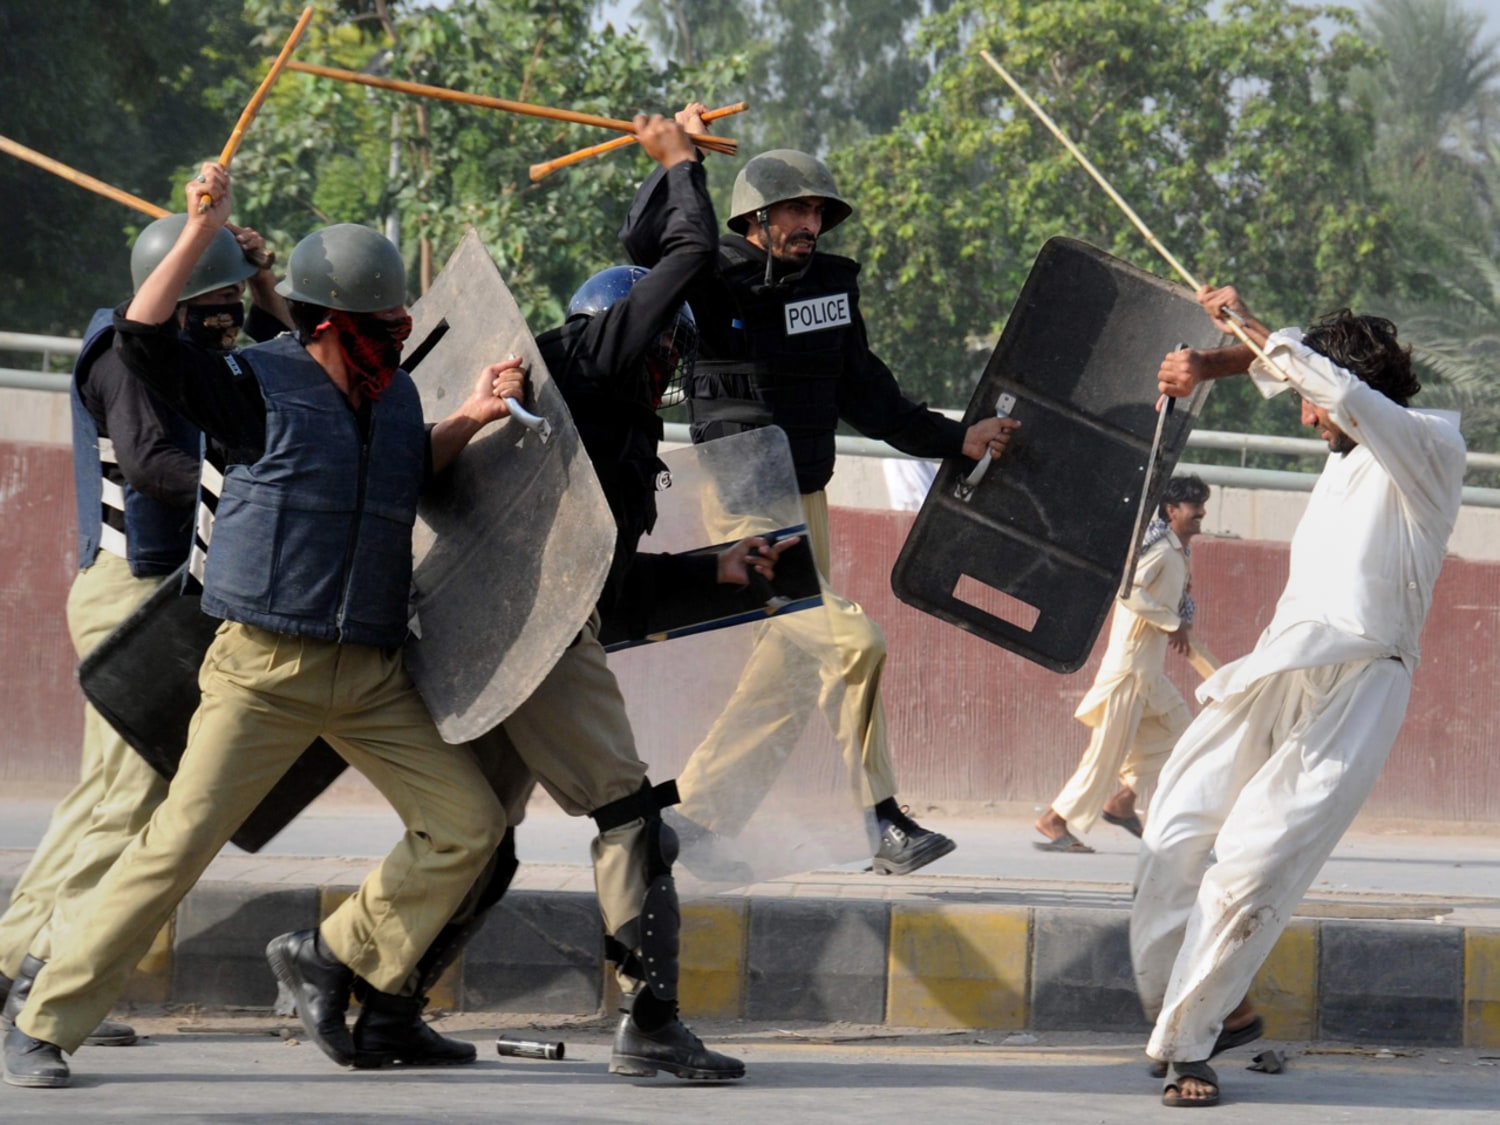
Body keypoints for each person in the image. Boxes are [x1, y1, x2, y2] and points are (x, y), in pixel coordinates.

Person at [2, 163, 523, 1089]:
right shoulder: (248, 386)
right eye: (372, 329)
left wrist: (472, 417)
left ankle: (332, 953)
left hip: (367, 672)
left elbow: (413, 473)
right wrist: (204, 228)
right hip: (260, 669)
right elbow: (143, 335)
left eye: (393, 327)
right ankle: (44, 1021)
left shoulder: (394, 396)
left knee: (467, 824)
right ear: (322, 324)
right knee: (171, 848)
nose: (388, 341)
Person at [359, 111, 778, 1081]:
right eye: (664, 347)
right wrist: (677, 165)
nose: (670, 367)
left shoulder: (609, 429)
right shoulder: (590, 363)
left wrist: (713, 573)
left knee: (482, 840)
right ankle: (650, 1022)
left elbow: (606, 575)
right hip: (537, 639)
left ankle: (366, 986)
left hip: (535, 627)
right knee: (630, 814)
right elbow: (685, 256)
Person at [621, 116, 1018, 876]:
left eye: (818, 213)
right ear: (754, 221)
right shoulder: (711, 276)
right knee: (855, 643)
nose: (811, 224)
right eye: (795, 211)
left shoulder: (833, 288)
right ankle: (882, 821)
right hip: (743, 507)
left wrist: (956, 437)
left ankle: (692, 817)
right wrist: (680, 162)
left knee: (797, 668)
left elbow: (871, 397)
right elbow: (646, 245)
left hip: (808, 500)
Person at [1130, 286, 1465, 1108]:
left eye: (1316, 404)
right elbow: (1315, 384)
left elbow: (1336, 391)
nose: (1310, 421)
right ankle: (1217, 1009)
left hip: (1360, 680)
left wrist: (1244, 323)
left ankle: (1189, 1046)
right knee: (1173, 824)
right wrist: (1213, 360)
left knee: (1251, 860)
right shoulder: (1345, 455)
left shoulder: (1426, 450)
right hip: (1278, 667)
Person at [0, 215, 286, 1046]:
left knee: (101, 796)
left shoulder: (190, 343)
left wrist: (260, 276)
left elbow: (279, 355)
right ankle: (52, 974)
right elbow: (157, 464)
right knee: (130, 798)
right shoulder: (129, 356)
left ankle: (20, 955)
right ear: (179, 294)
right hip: (131, 595)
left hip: (143, 592)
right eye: (219, 294)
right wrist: (261, 483)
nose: (230, 310)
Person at [1035, 475, 1211, 853]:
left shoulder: (1180, 551)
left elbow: (1178, 598)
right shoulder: (1162, 551)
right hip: (1129, 672)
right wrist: (1171, 623)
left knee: (1181, 737)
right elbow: (1127, 592)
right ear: (1171, 511)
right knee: (1105, 755)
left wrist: (1184, 619)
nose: (1201, 513)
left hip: (1149, 674)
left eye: (1202, 505)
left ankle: (1123, 802)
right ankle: (1054, 819)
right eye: (1194, 506)